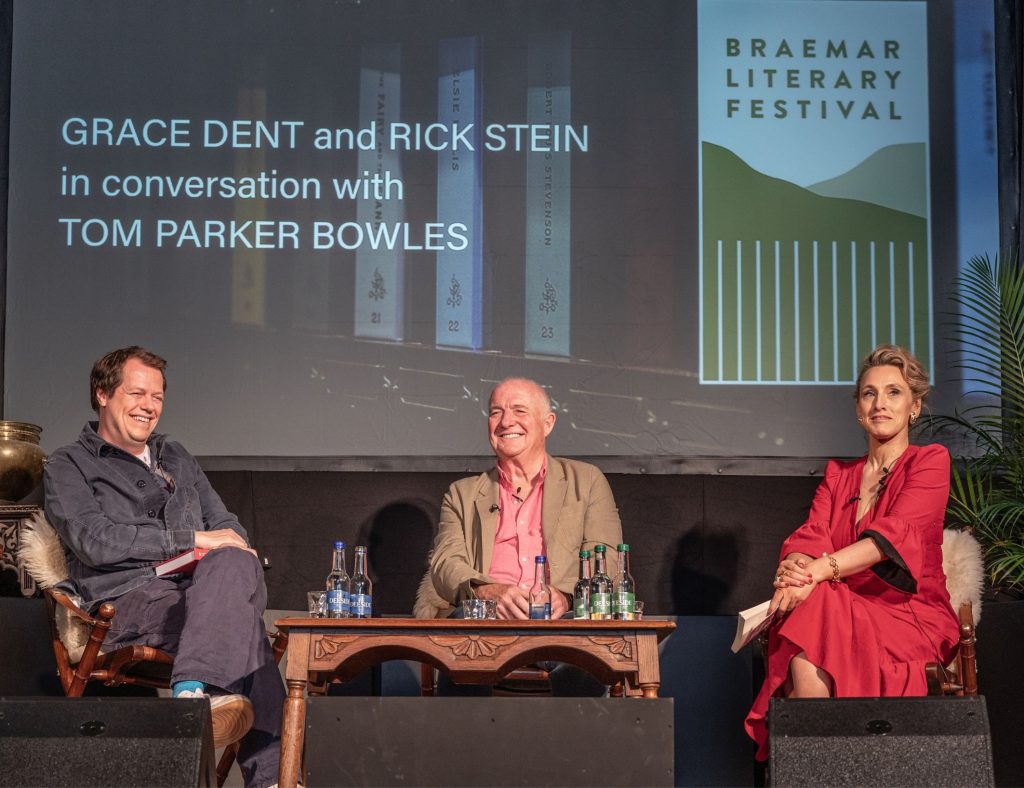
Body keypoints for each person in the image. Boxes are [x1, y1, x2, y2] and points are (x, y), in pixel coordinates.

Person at [43, 347, 284, 788]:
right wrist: (191, 541)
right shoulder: (68, 464)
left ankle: (194, 691)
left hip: (204, 590)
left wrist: (231, 546)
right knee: (250, 638)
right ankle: (270, 777)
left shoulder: (174, 454)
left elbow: (223, 521)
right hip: (132, 595)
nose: (149, 406)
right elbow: (94, 541)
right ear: (102, 394)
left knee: (236, 557)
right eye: (136, 393)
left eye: (157, 396)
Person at [745, 345, 959, 759]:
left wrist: (815, 573)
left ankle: (819, 764)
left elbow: (891, 538)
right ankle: (825, 764)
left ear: (915, 407)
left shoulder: (930, 462)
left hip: (909, 612)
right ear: (858, 408)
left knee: (814, 606)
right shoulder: (838, 475)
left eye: (893, 393)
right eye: (869, 394)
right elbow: (810, 535)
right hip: (839, 606)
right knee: (814, 610)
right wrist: (794, 569)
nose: (880, 404)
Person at [427, 377, 623, 619]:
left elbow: (607, 557)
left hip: (564, 618)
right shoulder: (462, 494)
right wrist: (487, 591)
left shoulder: (586, 480)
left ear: (548, 423)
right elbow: (445, 565)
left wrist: (566, 596)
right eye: (495, 412)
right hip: (488, 618)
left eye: (519, 410)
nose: (506, 422)